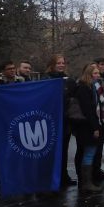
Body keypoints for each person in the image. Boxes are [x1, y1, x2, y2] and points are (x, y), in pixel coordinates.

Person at [43, 54, 77, 187]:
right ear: (52, 64)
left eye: (63, 63)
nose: (61, 65)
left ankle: (63, 176)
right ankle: (50, 177)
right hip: (51, 121)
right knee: (50, 151)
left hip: (65, 120)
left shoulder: (68, 80)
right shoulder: (46, 79)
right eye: (58, 63)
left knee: (64, 150)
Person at [74, 64, 103, 192]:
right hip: (86, 126)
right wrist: (95, 127)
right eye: (95, 73)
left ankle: (86, 182)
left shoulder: (93, 87)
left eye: (98, 73)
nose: (97, 76)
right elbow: (88, 110)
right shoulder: (84, 88)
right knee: (89, 153)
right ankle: (86, 183)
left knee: (87, 153)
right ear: (89, 74)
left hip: (89, 124)